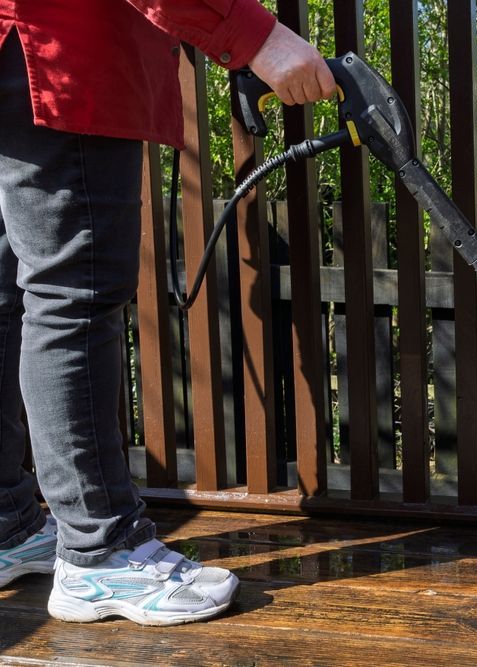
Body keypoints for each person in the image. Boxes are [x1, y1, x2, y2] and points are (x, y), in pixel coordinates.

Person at [0, 1, 335, 626]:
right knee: (72, 297)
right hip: (56, 50)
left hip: (16, 47)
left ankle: (6, 527)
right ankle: (101, 554)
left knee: (8, 296)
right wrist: (257, 36)